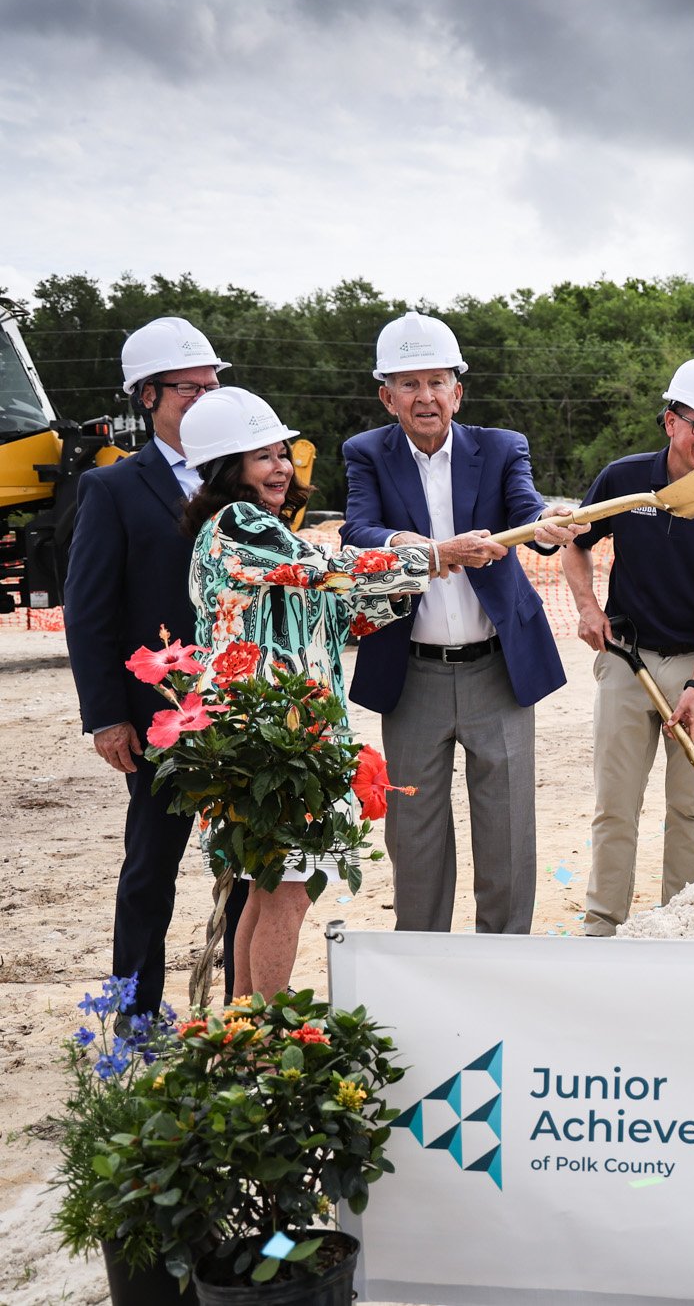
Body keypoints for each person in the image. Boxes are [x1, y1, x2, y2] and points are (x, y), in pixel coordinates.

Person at [178, 387, 437, 997]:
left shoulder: (267, 534)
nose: (282, 467)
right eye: (263, 456)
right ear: (227, 469)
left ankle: (243, 1029)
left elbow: (341, 617)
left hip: (290, 732)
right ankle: (265, 1041)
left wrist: (413, 583)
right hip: (272, 738)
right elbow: (326, 568)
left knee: (268, 890)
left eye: (282, 453)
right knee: (288, 895)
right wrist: (428, 554)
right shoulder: (238, 524)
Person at [342, 312, 582, 936]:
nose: (426, 397)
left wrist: (550, 522)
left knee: (506, 832)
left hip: (497, 672)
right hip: (411, 673)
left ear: (458, 391)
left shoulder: (502, 448)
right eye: (409, 383)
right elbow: (359, 533)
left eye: (437, 382)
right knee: (414, 837)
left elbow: (530, 512)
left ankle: (504, 962)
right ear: (386, 395)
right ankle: (425, 963)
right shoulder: (366, 453)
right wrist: (431, 552)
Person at [66, 318, 248, 1020]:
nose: (205, 398)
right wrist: (108, 713)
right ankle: (137, 1014)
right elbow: (89, 612)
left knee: (246, 864)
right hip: (159, 717)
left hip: (240, 706)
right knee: (151, 871)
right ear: (147, 396)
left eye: (213, 385)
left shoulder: (241, 474)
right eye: (189, 388)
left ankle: (238, 1013)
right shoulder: (112, 490)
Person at [564, 357, 694, 935]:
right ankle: (604, 925)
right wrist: (586, 606)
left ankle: (683, 926)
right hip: (628, 658)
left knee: (690, 807)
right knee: (616, 804)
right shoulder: (624, 479)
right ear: (670, 420)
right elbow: (576, 543)